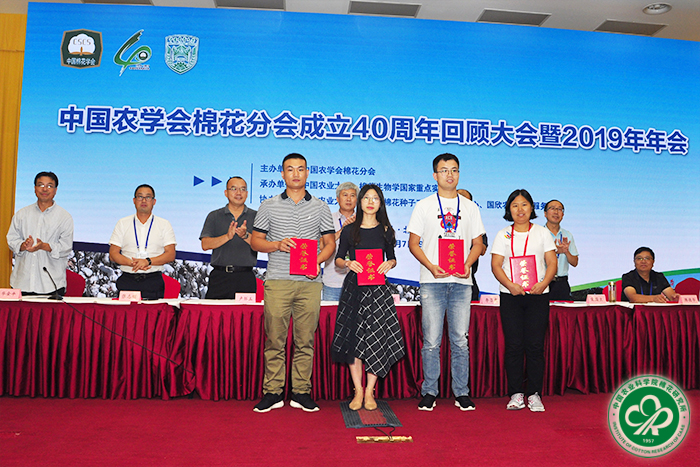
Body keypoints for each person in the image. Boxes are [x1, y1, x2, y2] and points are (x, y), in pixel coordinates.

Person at [250, 153, 336, 413]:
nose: (296, 174)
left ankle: (301, 392)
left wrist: (316, 262)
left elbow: (329, 243)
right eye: (290, 169)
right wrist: (277, 244)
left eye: (301, 169)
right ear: (282, 174)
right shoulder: (268, 205)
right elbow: (255, 241)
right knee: (274, 339)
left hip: (310, 283)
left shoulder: (321, 207)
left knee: (305, 341)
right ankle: (273, 392)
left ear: (308, 173)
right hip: (278, 280)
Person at [408, 153, 485, 412]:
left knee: (460, 340)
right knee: (431, 341)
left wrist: (467, 264)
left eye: (454, 170)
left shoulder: (471, 207)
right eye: (444, 170)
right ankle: (430, 391)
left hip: (462, 282)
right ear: (435, 175)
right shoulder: (424, 206)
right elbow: (413, 244)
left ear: (459, 174)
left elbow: (478, 243)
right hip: (432, 281)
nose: (449, 174)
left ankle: (461, 392)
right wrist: (431, 266)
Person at [331, 184, 405, 411]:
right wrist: (348, 263)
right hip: (354, 288)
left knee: (376, 338)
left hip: (378, 289)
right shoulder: (350, 230)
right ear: (360, 202)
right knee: (354, 340)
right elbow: (338, 259)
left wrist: (389, 263)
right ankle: (358, 390)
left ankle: (370, 391)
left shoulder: (386, 230)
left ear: (380, 203)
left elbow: (392, 258)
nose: (370, 202)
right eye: (366, 198)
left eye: (375, 198)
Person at [491, 189, 557, 412]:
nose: (520, 209)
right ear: (509, 210)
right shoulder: (502, 234)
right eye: (515, 205)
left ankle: (535, 394)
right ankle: (516, 393)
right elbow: (496, 265)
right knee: (514, 345)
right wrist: (510, 285)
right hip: (511, 296)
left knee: (535, 346)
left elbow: (552, 262)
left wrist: (543, 283)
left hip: (538, 295)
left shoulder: (542, 233)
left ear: (531, 208)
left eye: (524, 204)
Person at [6, 171, 74, 295]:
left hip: (51, 284)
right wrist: (23, 245)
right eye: (40, 185)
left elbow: (65, 247)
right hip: (22, 282)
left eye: (49, 186)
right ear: (35, 188)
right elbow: (11, 240)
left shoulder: (64, 217)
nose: (45, 189)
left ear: (55, 190)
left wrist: (44, 246)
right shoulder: (22, 214)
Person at [109, 184, 176, 300]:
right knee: (126, 312)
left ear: (154, 201)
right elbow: (113, 254)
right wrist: (133, 263)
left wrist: (147, 261)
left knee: (153, 312)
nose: (144, 200)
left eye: (148, 197)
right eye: (140, 197)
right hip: (128, 281)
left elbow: (170, 254)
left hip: (153, 282)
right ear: (134, 201)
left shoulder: (164, 224)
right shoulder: (122, 223)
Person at [200, 176, 257, 299]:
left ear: (247, 194)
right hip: (220, 277)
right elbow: (205, 244)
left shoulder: (256, 216)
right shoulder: (214, 216)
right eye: (234, 189)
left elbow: (263, 244)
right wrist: (227, 237)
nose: (238, 193)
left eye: (242, 189)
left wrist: (245, 236)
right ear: (226, 193)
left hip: (245, 278)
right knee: (216, 311)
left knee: (244, 312)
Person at [322, 182, 358, 301]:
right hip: (333, 282)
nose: (348, 199)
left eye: (352, 195)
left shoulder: (363, 221)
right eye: (345, 195)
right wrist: (343, 230)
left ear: (357, 200)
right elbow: (320, 246)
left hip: (358, 282)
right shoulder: (328, 219)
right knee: (331, 313)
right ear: (337, 199)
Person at [543, 199, 579, 301]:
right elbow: (533, 259)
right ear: (545, 213)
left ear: (562, 215)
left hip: (562, 284)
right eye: (552, 208)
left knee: (563, 311)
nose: (556, 212)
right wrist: (553, 252)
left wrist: (566, 251)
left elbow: (575, 262)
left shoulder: (567, 235)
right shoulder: (538, 234)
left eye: (559, 209)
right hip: (543, 283)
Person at [457, 188, 488, 302]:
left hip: (468, 278)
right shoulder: (442, 222)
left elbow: (482, 249)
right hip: (442, 279)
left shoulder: (476, 225)